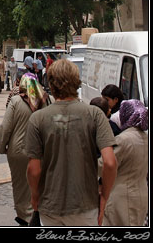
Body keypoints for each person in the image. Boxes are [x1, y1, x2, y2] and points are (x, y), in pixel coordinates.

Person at [25, 59, 117, 227]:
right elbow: (110, 162)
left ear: (51, 84)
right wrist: (104, 196)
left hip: (50, 206)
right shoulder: (95, 114)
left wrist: (34, 195)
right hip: (86, 206)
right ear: (77, 82)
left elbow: (34, 169)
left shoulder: (37, 119)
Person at [0, 74, 49, 226]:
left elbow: (6, 128)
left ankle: (25, 218)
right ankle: (36, 214)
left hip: (18, 151)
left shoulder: (15, 101)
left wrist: (2, 147)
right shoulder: (44, 101)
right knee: (38, 184)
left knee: (20, 185)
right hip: (39, 151)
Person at [99, 99, 149, 227]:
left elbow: (104, 164)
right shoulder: (145, 137)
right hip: (141, 194)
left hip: (122, 197)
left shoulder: (124, 139)